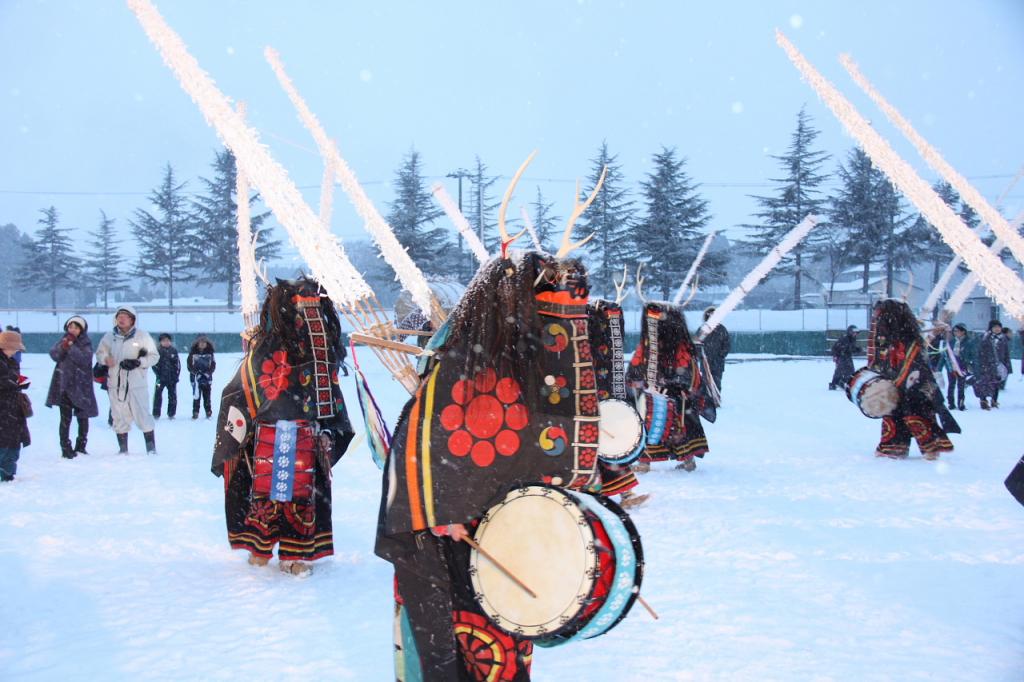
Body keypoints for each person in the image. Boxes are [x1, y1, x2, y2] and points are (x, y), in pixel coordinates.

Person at [377, 252, 604, 680]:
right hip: (446, 542)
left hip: (505, 537)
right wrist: (441, 513)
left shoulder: (522, 368)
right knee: (451, 650)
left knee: (502, 646)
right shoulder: (460, 368)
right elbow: (424, 451)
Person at [211, 278, 354, 577]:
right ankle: (260, 548)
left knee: (302, 498)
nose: (310, 320)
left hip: (308, 434)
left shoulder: (321, 352)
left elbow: (330, 397)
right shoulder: (267, 348)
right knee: (264, 495)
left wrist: (329, 431)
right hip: (267, 435)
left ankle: (294, 553)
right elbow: (242, 390)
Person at [626, 301, 716, 473]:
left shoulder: (661, 345)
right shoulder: (671, 344)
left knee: (659, 425)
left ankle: (650, 462)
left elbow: (686, 370)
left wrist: (673, 384)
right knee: (674, 426)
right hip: (667, 395)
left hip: (667, 396)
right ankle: (679, 460)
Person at [866, 299, 955, 460]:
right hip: (895, 385)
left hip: (914, 387)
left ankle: (930, 447)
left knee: (916, 413)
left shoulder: (908, 340)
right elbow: (879, 359)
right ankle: (894, 447)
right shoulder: (887, 338)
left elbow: (916, 365)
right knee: (894, 413)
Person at [96, 306, 158, 454]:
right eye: (119, 316)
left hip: (137, 384)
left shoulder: (142, 336)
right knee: (118, 417)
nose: (122, 319)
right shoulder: (109, 337)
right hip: (115, 385)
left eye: (125, 316)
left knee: (143, 415)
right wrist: (105, 359)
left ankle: (151, 449)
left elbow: (154, 356)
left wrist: (138, 362)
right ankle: (123, 449)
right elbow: (99, 353)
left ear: (132, 320)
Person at [45, 315, 99, 458]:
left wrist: (71, 347)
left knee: (83, 417)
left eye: (76, 327)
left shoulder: (86, 343)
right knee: (65, 419)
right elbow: (54, 355)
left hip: (81, 387)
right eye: (70, 327)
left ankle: (81, 446)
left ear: (81, 329)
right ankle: (65, 447)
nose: (73, 330)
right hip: (64, 386)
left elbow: (84, 359)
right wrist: (64, 346)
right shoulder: (63, 340)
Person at [0, 330, 30, 482]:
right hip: (4, 407)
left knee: (13, 442)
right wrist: (15, 382)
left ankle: (8, 472)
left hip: (13, 408)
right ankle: (5, 471)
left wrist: (21, 382)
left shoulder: (12, 361)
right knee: (4, 442)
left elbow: (12, 379)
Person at [973, 319, 1010, 410]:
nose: (997, 329)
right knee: (984, 383)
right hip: (986, 364)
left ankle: (994, 400)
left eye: (999, 327)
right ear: (991, 328)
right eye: (995, 327)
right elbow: (979, 351)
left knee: (996, 383)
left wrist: (1007, 364)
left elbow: (1006, 352)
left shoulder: (1003, 338)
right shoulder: (984, 337)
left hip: (998, 364)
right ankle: (983, 400)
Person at [941, 323, 973, 412]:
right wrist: (939, 367)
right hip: (951, 367)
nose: (956, 333)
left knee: (961, 386)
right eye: (954, 331)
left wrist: (969, 363)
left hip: (962, 367)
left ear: (963, 332)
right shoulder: (951, 342)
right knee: (951, 385)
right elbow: (944, 355)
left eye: (958, 331)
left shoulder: (968, 342)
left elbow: (972, 354)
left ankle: (961, 403)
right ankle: (951, 403)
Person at [701, 306, 731, 393]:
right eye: (709, 316)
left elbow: (727, 345)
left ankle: (715, 400)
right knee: (705, 383)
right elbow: (697, 344)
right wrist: (702, 357)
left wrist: (720, 356)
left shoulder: (722, 330)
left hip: (718, 363)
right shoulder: (703, 329)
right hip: (705, 363)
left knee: (716, 383)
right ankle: (704, 400)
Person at [152, 333, 180, 419]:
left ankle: (171, 413)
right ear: (160, 342)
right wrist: (159, 374)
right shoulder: (157, 351)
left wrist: (176, 375)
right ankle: (156, 413)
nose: (166, 342)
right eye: (164, 341)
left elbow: (177, 365)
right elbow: (154, 364)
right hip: (160, 379)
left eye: (168, 340)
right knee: (157, 395)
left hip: (172, 379)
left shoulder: (174, 351)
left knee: (172, 396)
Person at [187, 335, 216, 419]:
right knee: (196, 395)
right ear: (197, 343)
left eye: (204, 342)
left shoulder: (210, 353)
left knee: (207, 395)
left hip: (207, 378)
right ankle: (195, 412)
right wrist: (196, 373)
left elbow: (213, 365)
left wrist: (208, 373)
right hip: (196, 379)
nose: (202, 344)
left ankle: (208, 411)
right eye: (201, 342)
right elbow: (189, 365)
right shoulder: (192, 353)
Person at [829, 325, 860, 390]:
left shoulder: (853, 339)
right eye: (854, 332)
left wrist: (858, 349)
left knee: (850, 370)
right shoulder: (844, 339)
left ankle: (842, 382)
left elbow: (851, 348)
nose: (855, 334)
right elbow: (836, 348)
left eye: (856, 333)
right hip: (841, 356)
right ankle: (834, 384)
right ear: (850, 332)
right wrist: (835, 356)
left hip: (847, 356)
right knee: (840, 370)